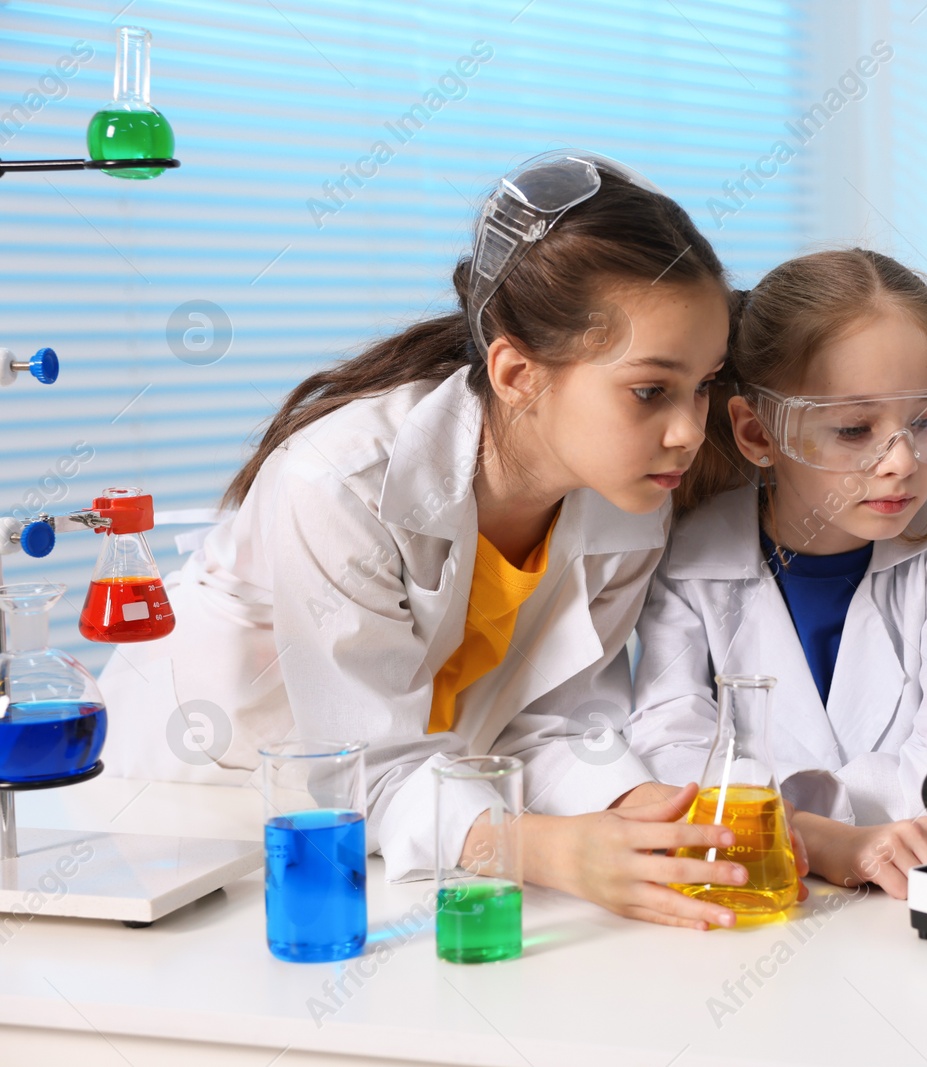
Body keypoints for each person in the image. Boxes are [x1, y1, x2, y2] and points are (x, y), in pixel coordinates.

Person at [99, 152, 796, 929]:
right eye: (650, 390)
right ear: (515, 373)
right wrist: (556, 852)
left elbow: (552, 722)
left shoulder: (627, 500)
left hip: (405, 834)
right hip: (191, 819)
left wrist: (643, 814)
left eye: (703, 385)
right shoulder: (337, 481)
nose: (689, 431)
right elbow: (368, 766)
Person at [626, 249, 927, 898]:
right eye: (855, 428)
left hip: (906, 899)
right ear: (756, 433)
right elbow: (671, 753)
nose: (902, 461)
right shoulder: (688, 558)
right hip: (758, 902)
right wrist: (833, 843)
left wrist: (782, 816)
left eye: (925, 420)